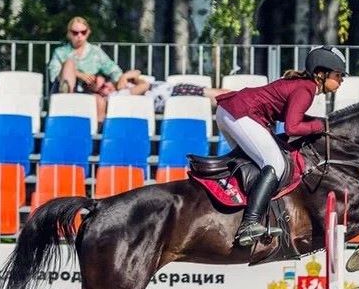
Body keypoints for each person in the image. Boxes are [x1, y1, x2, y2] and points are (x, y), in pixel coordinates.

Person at [214, 45, 346, 247]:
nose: (341, 80)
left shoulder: (304, 85)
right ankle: (249, 223)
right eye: (338, 75)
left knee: (257, 165)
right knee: (276, 164)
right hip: (240, 114)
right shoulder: (306, 89)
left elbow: (295, 119)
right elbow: (292, 127)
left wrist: (320, 122)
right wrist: (321, 125)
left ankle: (243, 213)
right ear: (321, 73)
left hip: (231, 112)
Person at [47, 16, 123, 122]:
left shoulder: (96, 52)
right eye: (75, 32)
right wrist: (78, 74)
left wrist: (105, 82)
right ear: (69, 34)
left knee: (99, 101)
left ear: (88, 33)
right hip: (62, 91)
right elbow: (53, 76)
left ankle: (96, 134)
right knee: (69, 64)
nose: (79, 36)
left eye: (83, 32)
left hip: (88, 91)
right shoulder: (60, 52)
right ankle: (67, 97)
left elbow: (116, 72)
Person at [111, 69, 229, 114]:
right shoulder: (120, 95)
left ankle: (240, 98)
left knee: (216, 93)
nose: (108, 85)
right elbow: (144, 85)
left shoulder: (125, 90)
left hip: (173, 91)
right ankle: (240, 99)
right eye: (105, 87)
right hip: (173, 95)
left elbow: (137, 73)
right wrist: (125, 77)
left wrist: (130, 78)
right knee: (215, 95)